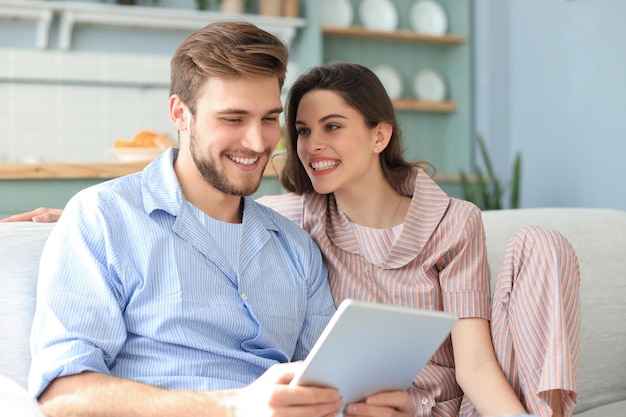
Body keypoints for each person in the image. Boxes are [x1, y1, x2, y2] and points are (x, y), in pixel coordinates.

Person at [4, 62, 580, 416]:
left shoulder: (445, 221)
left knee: (543, 243)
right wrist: (75, 211)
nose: (305, 146)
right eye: (303, 129)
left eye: (331, 127)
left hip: (443, 401)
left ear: (380, 134)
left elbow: (475, 366)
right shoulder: (300, 218)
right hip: (353, 403)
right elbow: (197, 203)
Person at [23, 21, 350, 417]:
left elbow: (327, 387)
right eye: (232, 119)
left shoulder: (295, 246)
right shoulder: (103, 217)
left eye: (268, 118)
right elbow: (62, 393)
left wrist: (366, 403)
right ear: (181, 113)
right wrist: (234, 405)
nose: (259, 142)